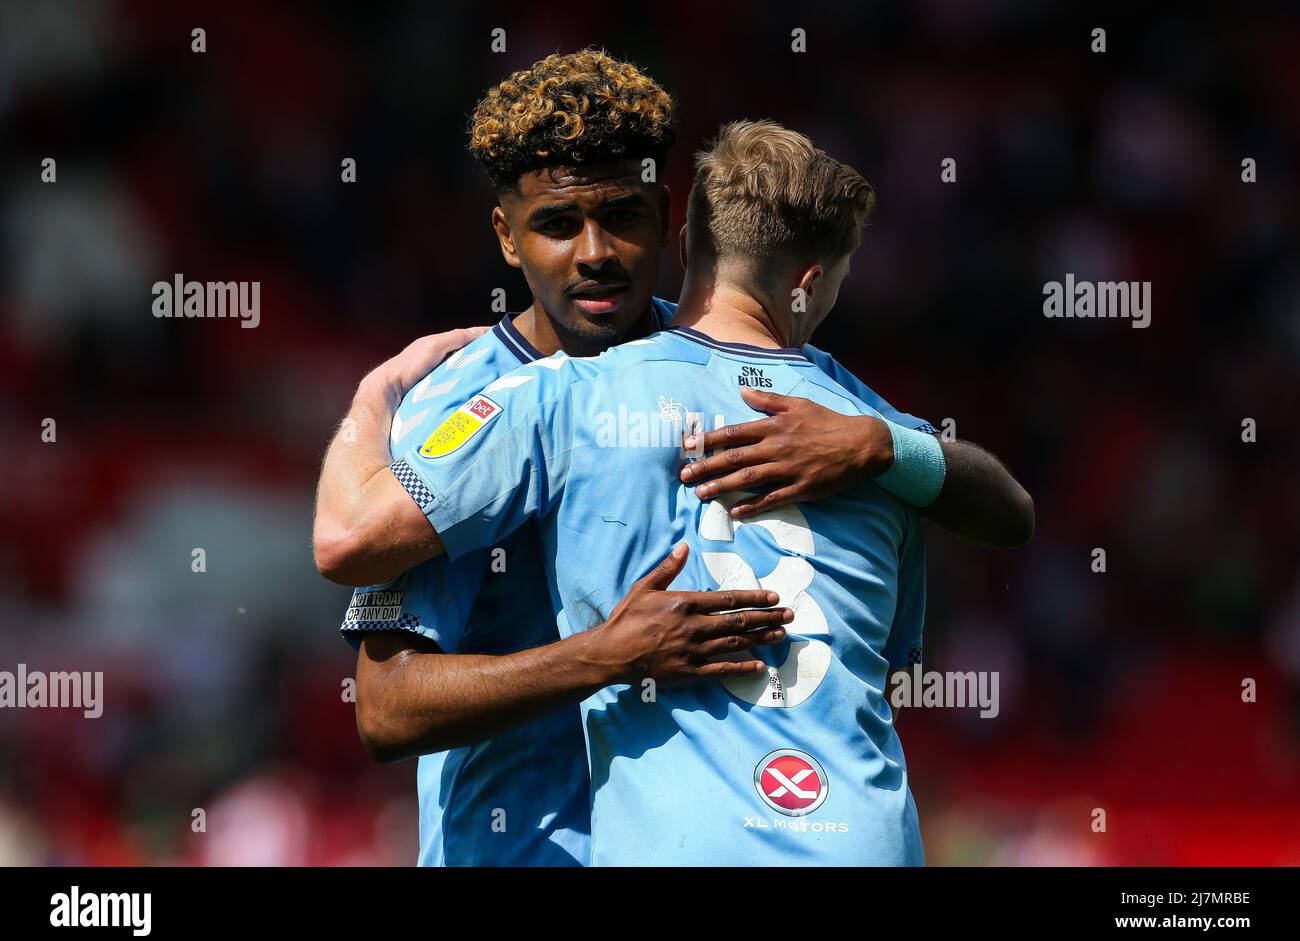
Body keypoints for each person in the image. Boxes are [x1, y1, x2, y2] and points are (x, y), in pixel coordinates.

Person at [314, 54, 1033, 865]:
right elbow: (386, 710)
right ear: (505, 237)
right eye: (557, 224)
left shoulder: (763, 370)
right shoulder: (465, 409)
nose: (595, 253)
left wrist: (878, 445)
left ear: (667, 218)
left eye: (621, 215)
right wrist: (372, 403)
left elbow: (999, 506)